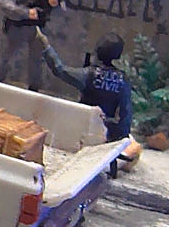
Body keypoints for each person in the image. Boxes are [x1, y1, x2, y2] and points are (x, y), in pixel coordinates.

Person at [45, 34, 142, 171]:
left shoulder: (88, 74)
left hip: (83, 129)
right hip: (106, 131)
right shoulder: (122, 80)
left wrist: (47, 48)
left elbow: (60, 70)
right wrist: (121, 139)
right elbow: (125, 113)